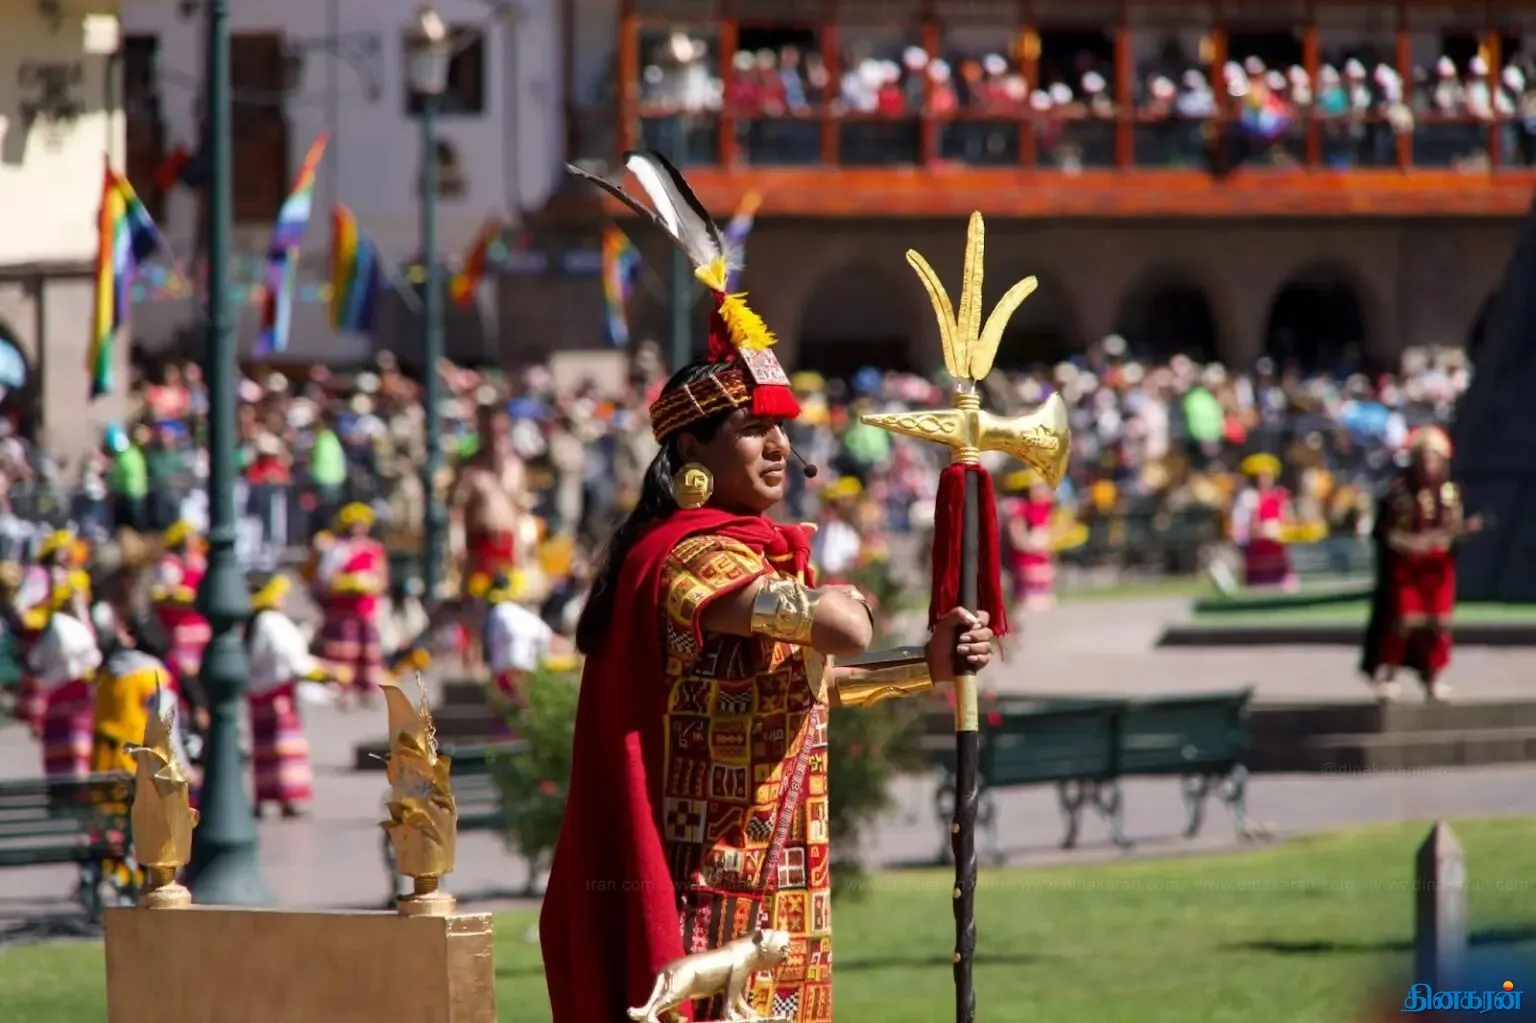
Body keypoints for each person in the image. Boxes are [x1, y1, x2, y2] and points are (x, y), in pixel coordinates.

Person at [541, 156, 994, 1023]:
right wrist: (856, 603)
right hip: (716, 902)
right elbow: (838, 629)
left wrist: (929, 663)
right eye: (755, 431)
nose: (781, 448)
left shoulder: (751, 556)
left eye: (784, 431)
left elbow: (806, 679)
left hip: (782, 892)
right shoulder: (692, 559)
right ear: (692, 452)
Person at [1359, 426, 1478, 702]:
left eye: (1434, 459)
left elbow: (1451, 530)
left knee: (1439, 624)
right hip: (1407, 566)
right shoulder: (1399, 493)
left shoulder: (1449, 493)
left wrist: (1458, 533)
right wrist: (1412, 543)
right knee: (1403, 620)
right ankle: (1389, 676)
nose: (1428, 465)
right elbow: (1386, 532)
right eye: (1423, 459)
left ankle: (1433, 679)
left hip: (1437, 568)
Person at [449, 402, 527, 674]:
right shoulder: (471, 470)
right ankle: (474, 660)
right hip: (479, 542)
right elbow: (457, 511)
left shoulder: (514, 467)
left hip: (507, 541)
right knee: (476, 604)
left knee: (508, 603)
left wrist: (524, 546)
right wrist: (456, 545)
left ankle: (505, 664)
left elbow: (521, 508)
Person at [246, 573, 324, 817]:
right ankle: (285, 798)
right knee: (282, 748)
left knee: (265, 749)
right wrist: (321, 672)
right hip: (276, 693)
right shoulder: (272, 623)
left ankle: (265, 797)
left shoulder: (260, 623)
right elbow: (290, 658)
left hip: (261, 694)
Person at [483, 570, 573, 737]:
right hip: (520, 668)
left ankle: (507, 739)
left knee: (507, 710)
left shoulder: (498, 613)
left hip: (506, 670)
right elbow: (545, 634)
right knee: (519, 708)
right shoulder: (515, 613)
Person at [28, 576, 101, 779]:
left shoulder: (65, 624)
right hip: (69, 696)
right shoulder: (62, 627)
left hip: (70, 697)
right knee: (72, 759)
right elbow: (84, 656)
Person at [317, 503, 387, 705]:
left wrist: (372, 584)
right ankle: (343, 688)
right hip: (343, 610)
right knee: (345, 652)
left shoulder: (374, 548)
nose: (358, 528)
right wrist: (346, 583)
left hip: (366, 609)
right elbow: (325, 580)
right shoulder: (337, 549)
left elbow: (382, 578)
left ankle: (369, 689)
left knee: (368, 650)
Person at [152, 520, 211, 688]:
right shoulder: (169, 565)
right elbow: (163, 595)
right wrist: (190, 599)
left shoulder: (198, 561)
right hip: (179, 634)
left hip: (200, 635)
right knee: (182, 679)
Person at [1230, 453, 1296, 590]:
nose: (1264, 479)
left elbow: (1290, 522)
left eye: (1268, 476)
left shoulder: (1280, 496)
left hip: (1279, 560)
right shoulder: (1248, 498)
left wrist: (1284, 529)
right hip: (1258, 560)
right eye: (1261, 476)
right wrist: (1262, 531)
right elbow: (1241, 531)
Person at [1002, 469, 1057, 611]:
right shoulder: (1019, 510)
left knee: (1044, 602)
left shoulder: (1045, 509)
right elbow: (1017, 539)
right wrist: (1033, 546)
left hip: (1041, 560)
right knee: (1028, 603)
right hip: (1026, 560)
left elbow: (1050, 530)